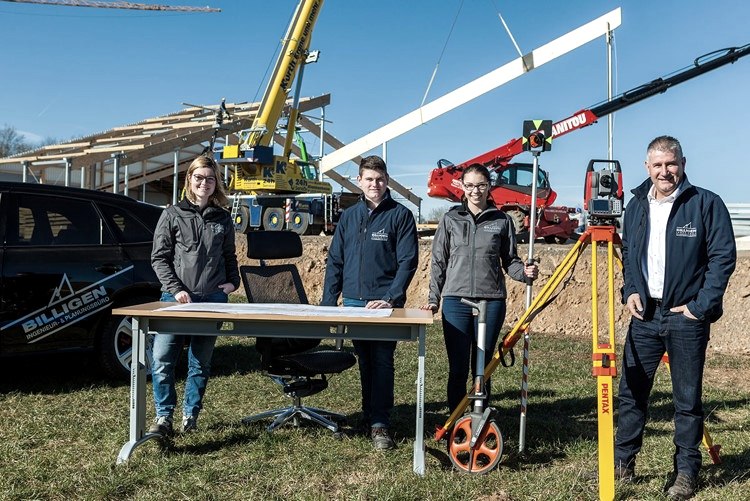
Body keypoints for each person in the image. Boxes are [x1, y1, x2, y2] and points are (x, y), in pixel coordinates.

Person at [615, 136, 736, 499]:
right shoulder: (636, 206)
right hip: (645, 316)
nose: (665, 171)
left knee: (686, 400)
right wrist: (631, 290)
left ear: (682, 163)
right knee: (631, 393)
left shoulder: (705, 203)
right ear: (647, 167)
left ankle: (685, 471)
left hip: (686, 318)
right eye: (657, 165)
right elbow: (629, 255)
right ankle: (623, 464)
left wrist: (700, 306)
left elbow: (722, 258)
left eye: (671, 164)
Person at [420, 163, 537, 414]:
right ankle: (455, 419)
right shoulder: (450, 219)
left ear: (489, 186)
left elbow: (510, 261)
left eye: (481, 185)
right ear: (462, 186)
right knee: (458, 367)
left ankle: (480, 418)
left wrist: (523, 273)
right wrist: (434, 299)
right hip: (455, 301)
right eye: (470, 185)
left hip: (491, 301)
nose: (475, 191)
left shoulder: (502, 220)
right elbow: (439, 261)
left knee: (482, 366)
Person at [321, 155, 419, 451]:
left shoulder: (400, 215)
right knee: (365, 360)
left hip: (383, 304)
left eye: (380, 179)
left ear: (386, 181)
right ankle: (370, 415)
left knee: (382, 361)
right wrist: (329, 301)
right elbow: (335, 259)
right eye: (369, 179)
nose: (374, 184)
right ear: (359, 181)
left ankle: (381, 423)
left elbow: (407, 261)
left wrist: (390, 298)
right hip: (352, 301)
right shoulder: (349, 217)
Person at [149, 155, 240, 436]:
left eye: (210, 179)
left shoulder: (223, 218)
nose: (204, 183)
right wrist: (176, 290)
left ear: (216, 183)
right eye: (199, 177)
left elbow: (229, 256)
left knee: (200, 361)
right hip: (175, 300)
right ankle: (164, 417)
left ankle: (191, 415)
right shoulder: (172, 214)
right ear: (189, 179)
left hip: (212, 299)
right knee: (163, 359)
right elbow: (159, 259)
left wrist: (231, 284)